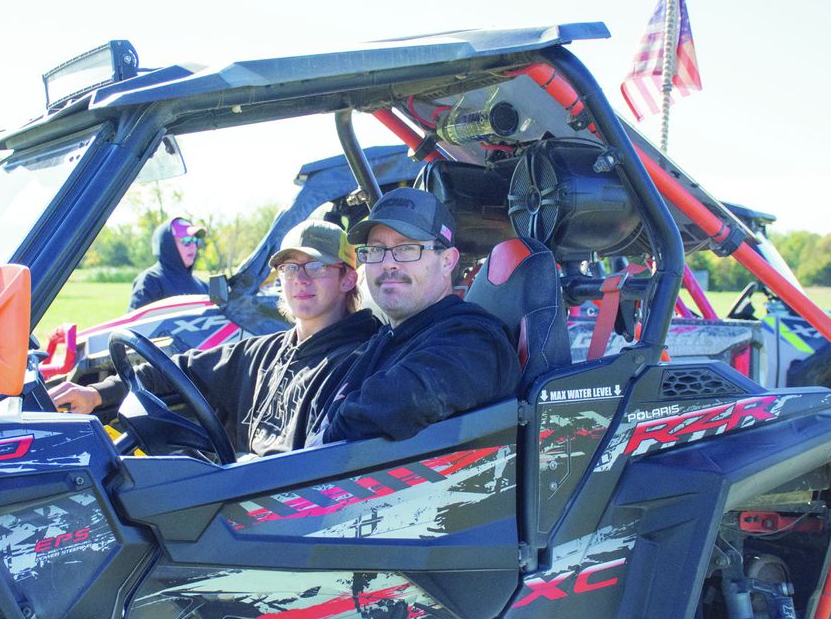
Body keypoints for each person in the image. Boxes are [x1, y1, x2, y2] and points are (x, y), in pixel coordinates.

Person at [50, 220, 381, 456]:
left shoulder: (359, 363)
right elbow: (180, 369)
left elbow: (319, 463)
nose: (300, 279)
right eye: (290, 268)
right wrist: (97, 394)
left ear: (348, 279)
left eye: (316, 266)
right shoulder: (265, 352)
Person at [307, 187, 521, 444]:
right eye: (376, 250)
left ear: (447, 261)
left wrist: (325, 441)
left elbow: (406, 398)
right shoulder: (383, 340)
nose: (388, 263)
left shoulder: (476, 341)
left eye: (407, 248)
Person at [128, 217, 209, 310]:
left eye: (195, 240)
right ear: (169, 245)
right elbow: (138, 318)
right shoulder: (151, 281)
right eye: (186, 240)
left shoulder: (203, 286)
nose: (193, 246)